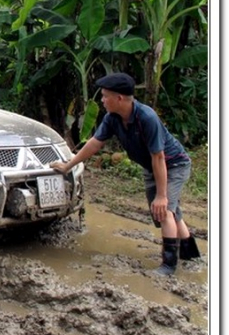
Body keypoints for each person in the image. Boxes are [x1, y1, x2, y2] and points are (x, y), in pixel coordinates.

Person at [50, 72, 200, 277]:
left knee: (163, 210)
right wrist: (69, 165)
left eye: (105, 96)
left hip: (173, 165)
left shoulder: (147, 118)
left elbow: (159, 157)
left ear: (119, 98)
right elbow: (95, 143)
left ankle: (168, 266)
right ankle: (191, 254)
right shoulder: (113, 118)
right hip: (152, 168)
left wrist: (162, 195)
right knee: (169, 211)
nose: (102, 100)